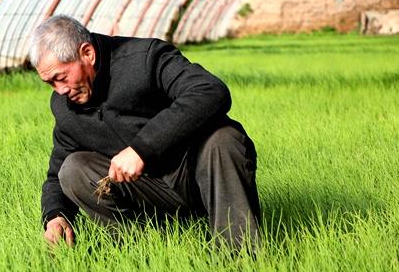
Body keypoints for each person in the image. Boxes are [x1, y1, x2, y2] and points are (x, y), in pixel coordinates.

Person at [29, 15, 260, 251]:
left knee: (223, 138)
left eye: (61, 77)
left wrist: (142, 149)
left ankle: (238, 256)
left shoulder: (145, 58)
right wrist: (55, 215)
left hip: (197, 176)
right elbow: (57, 171)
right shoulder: (64, 106)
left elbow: (210, 91)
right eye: (50, 83)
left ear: (87, 53)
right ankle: (141, 250)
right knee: (73, 169)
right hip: (148, 192)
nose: (60, 90)